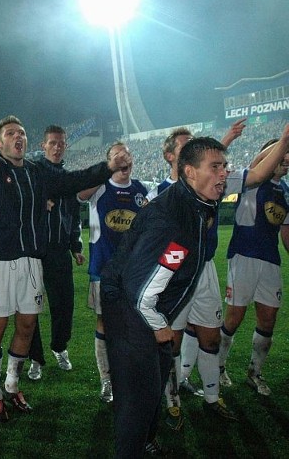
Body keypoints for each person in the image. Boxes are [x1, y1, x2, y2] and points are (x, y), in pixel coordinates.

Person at [0, 115, 128, 422]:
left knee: (26, 326)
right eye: (11, 133)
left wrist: (107, 168)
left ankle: (12, 385)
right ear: (0, 143)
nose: (18, 138)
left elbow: (72, 180)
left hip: (31, 262)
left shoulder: (37, 172)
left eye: (22, 133)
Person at [149, 120, 288, 430]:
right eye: (186, 146)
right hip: (175, 273)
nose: (192, 149)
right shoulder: (162, 192)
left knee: (210, 336)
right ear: (172, 157)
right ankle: (171, 400)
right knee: (171, 338)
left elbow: (259, 173)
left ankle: (212, 398)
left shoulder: (216, 184)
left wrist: (284, 140)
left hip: (206, 269)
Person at [101, 137, 226, 458]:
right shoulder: (177, 219)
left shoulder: (192, 204)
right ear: (189, 172)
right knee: (138, 397)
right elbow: (141, 291)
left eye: (224, 166)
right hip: (132, 310)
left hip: (142, 306)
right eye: (215, 167)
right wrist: (159, 326)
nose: (223, 174)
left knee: (154, 382)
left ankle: (146, 441)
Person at [77, 141, 147, 401]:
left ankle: (129, 375)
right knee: (105, 322)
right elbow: (80, 194)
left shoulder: (142, 190)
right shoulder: (100, 188)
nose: (123, 159)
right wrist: (106, 170)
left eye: (126, 154)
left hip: (135, 272)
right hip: (103, 270)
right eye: (117, 155)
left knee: (135, 323)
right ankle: (106, 379)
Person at [219, 134, 289, 396]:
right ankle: (219, 366)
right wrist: (282, 141)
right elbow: (259, 161)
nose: (285, 161)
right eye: (280, 157)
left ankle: (254, 373)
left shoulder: (285, 191)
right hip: (243, 256)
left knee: (268, 318)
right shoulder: (252, 181)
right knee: (235, 318)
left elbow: (286, 231)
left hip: (270, 261)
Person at [27, 125, 87, 381]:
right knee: (30, 309)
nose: (57, 146)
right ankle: (35, 358)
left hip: (60, 252)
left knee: (64, 306)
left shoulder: (68, 180)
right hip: (33, 252)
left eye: (61, 143)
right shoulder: (32, 172)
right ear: (43, 145)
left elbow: (74, 218)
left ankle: (59, 347)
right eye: (52, 142)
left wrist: (75, 246)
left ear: (66, 146)